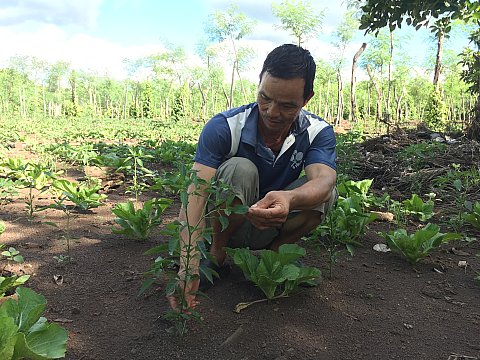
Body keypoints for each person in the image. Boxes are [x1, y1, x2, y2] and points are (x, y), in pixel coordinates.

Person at [168, 44, 337, 311]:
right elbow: (196, 193)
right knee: (239, 168)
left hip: (276, 223)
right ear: (258, 82)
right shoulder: (225, 126)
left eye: (286, 105)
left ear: (307, 99)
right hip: (227, 222)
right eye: (265, 98)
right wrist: (187, 268)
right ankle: (217, 254)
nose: (272, 111)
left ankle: (274, 255)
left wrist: (288, 198)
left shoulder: (317, 132)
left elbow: (324, 181)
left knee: (327, 192)